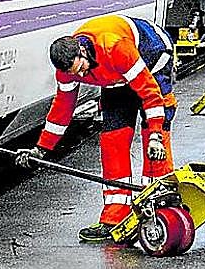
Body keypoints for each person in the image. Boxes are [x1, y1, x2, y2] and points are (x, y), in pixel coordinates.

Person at [16, 14, 177, 243]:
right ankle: (115, 218)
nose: (81, 76)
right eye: (75, 73)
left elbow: (150, 94)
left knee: (153, 142)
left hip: (153, 59)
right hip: (114, 78)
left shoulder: (114, 47)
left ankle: (162, 207)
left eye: (81, 68)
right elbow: (62, 110)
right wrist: (41, 149)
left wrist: (155, 136)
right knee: (113, 141)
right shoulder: (68, 70)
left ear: (82, 51)